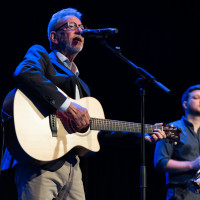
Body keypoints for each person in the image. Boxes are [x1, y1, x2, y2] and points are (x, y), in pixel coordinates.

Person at [1, 7, 166, 200]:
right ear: (54, 37)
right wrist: (66, 106)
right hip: (39, 162)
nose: (79, 30)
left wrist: (141, 134)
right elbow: (25, 73)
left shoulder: (83, 86)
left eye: (81, 27)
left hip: (72, 167)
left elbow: (97, 131)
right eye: (71, 26)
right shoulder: (42, 56)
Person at [154, 84, 200, 200]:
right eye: (196, 97)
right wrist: (192, 165)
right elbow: (160, 162)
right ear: (185, 104)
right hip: (181, 194)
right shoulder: (172, 128)